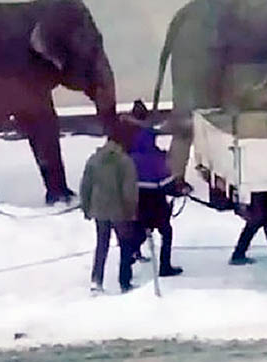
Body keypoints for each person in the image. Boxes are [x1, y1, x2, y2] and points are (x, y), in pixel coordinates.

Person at [126, 100, 187, 277]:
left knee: (138, 233)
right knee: (166, 232)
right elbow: (167, 184)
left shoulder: (130, 157)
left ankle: (129, 257)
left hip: (137, 204)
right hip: (156, 204)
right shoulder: (156, 158)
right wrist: (180, 189)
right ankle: (165, 266)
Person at [80, 120, 140, 293]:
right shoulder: (125, 161)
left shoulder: (94, 159)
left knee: (101, 245)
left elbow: (86, 186)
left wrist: (86, 207)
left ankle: (96, 280)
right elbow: (129, 190)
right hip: (120, 211)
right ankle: (124, 282)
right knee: (125, 246)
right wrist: (131, 211)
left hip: (99, 210)